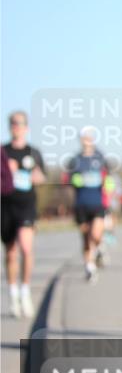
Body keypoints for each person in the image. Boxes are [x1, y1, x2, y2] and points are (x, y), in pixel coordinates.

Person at [2, 111, 46, 318]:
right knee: (11, 253)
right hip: (6, 205)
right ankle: (12, 294)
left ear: (26, 127)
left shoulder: (33, 152)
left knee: (26, 248)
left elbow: (42, 176)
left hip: (26, 205)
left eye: (19, 123)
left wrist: (32, 174)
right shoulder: (3, 152)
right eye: (12, 123)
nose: (16, 126)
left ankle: (25, 290)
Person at [63, 130, 111, 283]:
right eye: (84, 138)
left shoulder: (100, 157)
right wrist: (73, 181)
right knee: (85, 237)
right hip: (81, 203)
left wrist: (108, 188)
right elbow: (67, 179)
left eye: (89, 138)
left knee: (95, 235)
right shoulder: (75, 160)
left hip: (97, 203)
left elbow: (108, 178)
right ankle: (90, 267)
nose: (86, 140)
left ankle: (99, 247)